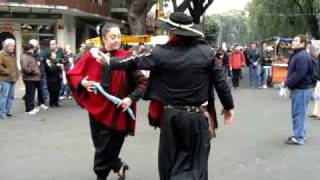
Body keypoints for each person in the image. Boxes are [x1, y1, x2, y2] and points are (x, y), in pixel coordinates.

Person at [97, 12, 234, 180]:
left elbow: (134, 60)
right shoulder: (207, 52)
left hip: (170, 117)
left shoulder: (161, 52)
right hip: (197, 118)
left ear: (172, 32)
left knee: (169, 164)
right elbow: (221, 83)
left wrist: (111, 62)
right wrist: (228, 107)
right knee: (196, 165)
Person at [67, 22, 147, 180]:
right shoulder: (92, 55)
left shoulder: (127, 58)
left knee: (104, 150)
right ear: (103, 38)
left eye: (119, 36)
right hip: (96, 111)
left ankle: (101, 176)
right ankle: (118, 166)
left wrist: (130, 99)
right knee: (100, 146)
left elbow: (143, 82)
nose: (117, 40)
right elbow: (74, 74)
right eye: (113, 37)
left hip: (118, 112)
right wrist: (82, 82)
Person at [283, 34, 313, 145]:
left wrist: (286, 83)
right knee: (299, 113)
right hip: (300, 88)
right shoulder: (298, 54)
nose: (293, 42)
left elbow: (299, 74)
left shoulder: (302, 56)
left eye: (296, 41)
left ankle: (299, 137)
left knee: (298, 114)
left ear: (303, 43)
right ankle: (299, 134)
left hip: (302, 89)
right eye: (293, 40)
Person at [20, 43, 43, 114]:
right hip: (29, 78)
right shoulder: (24, 57)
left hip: (33, 78)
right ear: (28, 50)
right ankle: (29, 109)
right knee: (30, 94)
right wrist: (33, 71)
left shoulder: (29, 56)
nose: (33, 50)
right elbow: (24, 68)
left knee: (31, 94)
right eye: (32, 49)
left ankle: (30, 108)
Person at [0, 38, 19, 119]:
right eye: (11, 46)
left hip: (13, 79)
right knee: (4, 96)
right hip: (4, 79)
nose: (13, 48)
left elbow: (15, 66)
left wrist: (17, 74)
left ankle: (7, 111)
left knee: (11, 97)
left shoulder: (12, 55)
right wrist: (7, 71)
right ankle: (2, 112)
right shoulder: (1, 54)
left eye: (13, 46)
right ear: (6, 46)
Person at [29, 39, 48, 111]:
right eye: (34, 45)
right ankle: (33, 105)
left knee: (41, 90)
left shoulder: (41, 53)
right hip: (33, 75)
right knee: (32, 91)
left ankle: (41, 103)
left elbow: (44, 63)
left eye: (36, 44)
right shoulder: (29, 53)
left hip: (41, 74)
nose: (35, 46)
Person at [308, 45, 320, 119]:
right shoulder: (317, 57)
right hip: (318, 78)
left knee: (318, 95)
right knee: (317, 96)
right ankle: (315, 112)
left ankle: (318, 113)